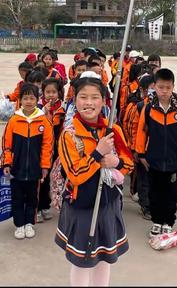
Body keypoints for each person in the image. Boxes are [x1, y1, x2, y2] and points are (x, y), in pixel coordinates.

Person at [55, 77, 133, 286]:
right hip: (82, 208)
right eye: (83, 97)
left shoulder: (112, 131)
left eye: (95, 97)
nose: (89, 103)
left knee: (104, 257)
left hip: (108, 205)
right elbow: (75, 174)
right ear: (75, 100)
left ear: (104, 102)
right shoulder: (68, 136)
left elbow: (129, 164)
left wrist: (115, 161)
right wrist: (97, 155)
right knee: (80, 260)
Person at [135, 69, 177, 237]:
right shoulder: (148, 109)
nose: (164, 91)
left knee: (172, 193)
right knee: (154, 192)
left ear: (173, 87)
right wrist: (141, 154)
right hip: (153, 160)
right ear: (155, 87)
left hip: (173, 161)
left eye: (168, 87)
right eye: (161, 87)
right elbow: (141, 132)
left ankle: (168, 221)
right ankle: (157, 221)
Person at [1, 83, 54, 240]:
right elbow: (7, 144)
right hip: (16, 170)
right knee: (17, 198)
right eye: (25, 98)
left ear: (37, 100)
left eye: (32, 98)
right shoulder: (14, 121)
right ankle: (19, 225)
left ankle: (30, 223)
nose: (29, 101)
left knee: (33, 198)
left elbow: (47, 146)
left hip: (35, 169)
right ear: (20, 101)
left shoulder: (43, 121)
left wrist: (45, 166)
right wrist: (7, 163)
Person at [122, 73, 155, 220]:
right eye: (152, 89)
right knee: (143, 178)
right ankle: (145, 205)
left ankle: (153, 204)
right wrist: (134, 148)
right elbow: (132, 127)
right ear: (143, 90)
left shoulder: (167, 106)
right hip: (142, 150)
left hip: (159, 151)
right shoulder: (139, 106)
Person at [38, 77, 66, 223]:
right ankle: (37, 208)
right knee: (41, 177)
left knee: (51, 178)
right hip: (41, 148)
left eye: (53, 92)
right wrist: (44, 113)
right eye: (47, 92)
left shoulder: (63, 108)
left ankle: (46, 206)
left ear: (59, 93)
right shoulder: (38, 109)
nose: (50, 95)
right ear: (42, 93)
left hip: (56, 148)